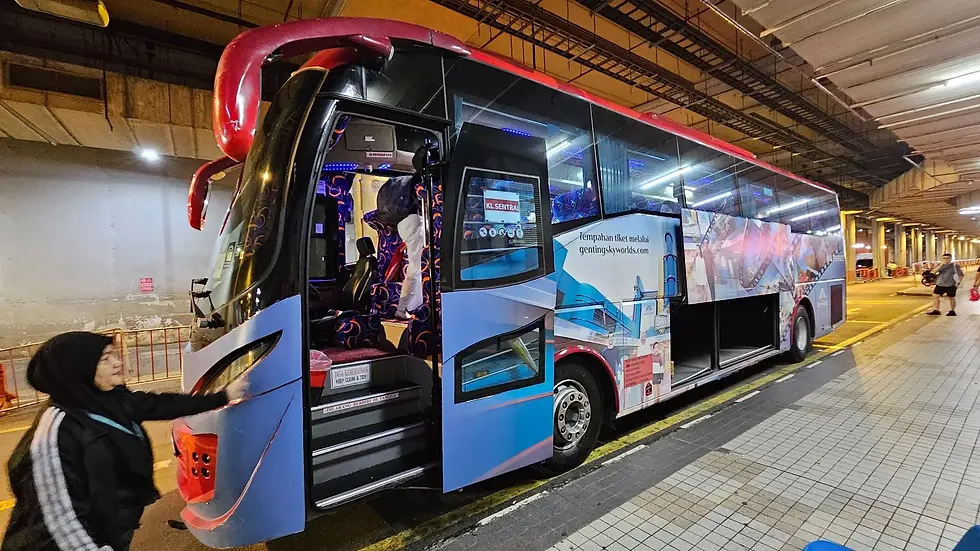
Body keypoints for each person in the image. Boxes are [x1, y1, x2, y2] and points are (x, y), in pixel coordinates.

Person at [1, 332, 247, 551]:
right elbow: (59, 522)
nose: (118, 363)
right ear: (80, 368)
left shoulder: (108, 398)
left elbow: (160, 404)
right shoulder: (54, 435)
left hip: (113, 529)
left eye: (114, 354)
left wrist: (222, 396)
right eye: (105, 359)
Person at [375, 175, 423, 320]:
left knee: (417, 268)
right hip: (413, 221)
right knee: (417, 268)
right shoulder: (420, 183)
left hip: (406, 223)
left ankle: (410, 307)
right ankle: (404, 309)